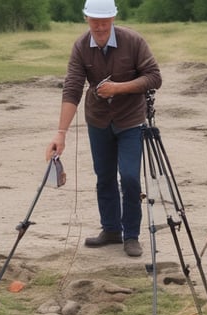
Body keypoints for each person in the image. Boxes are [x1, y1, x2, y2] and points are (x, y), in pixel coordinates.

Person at [45, 0, 162, 257]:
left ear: (113, 19)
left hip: (131, 119)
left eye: (105, 21)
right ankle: (111, 230)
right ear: (86, 18)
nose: (99, 26)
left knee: (130, 177)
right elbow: (73, 88)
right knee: (104, 177)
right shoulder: (80, 46)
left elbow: (154, 77)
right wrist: (61, 133)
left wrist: (119, 87)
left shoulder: (133, 41)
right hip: (98, 120)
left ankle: (131, 235)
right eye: (94, 20)